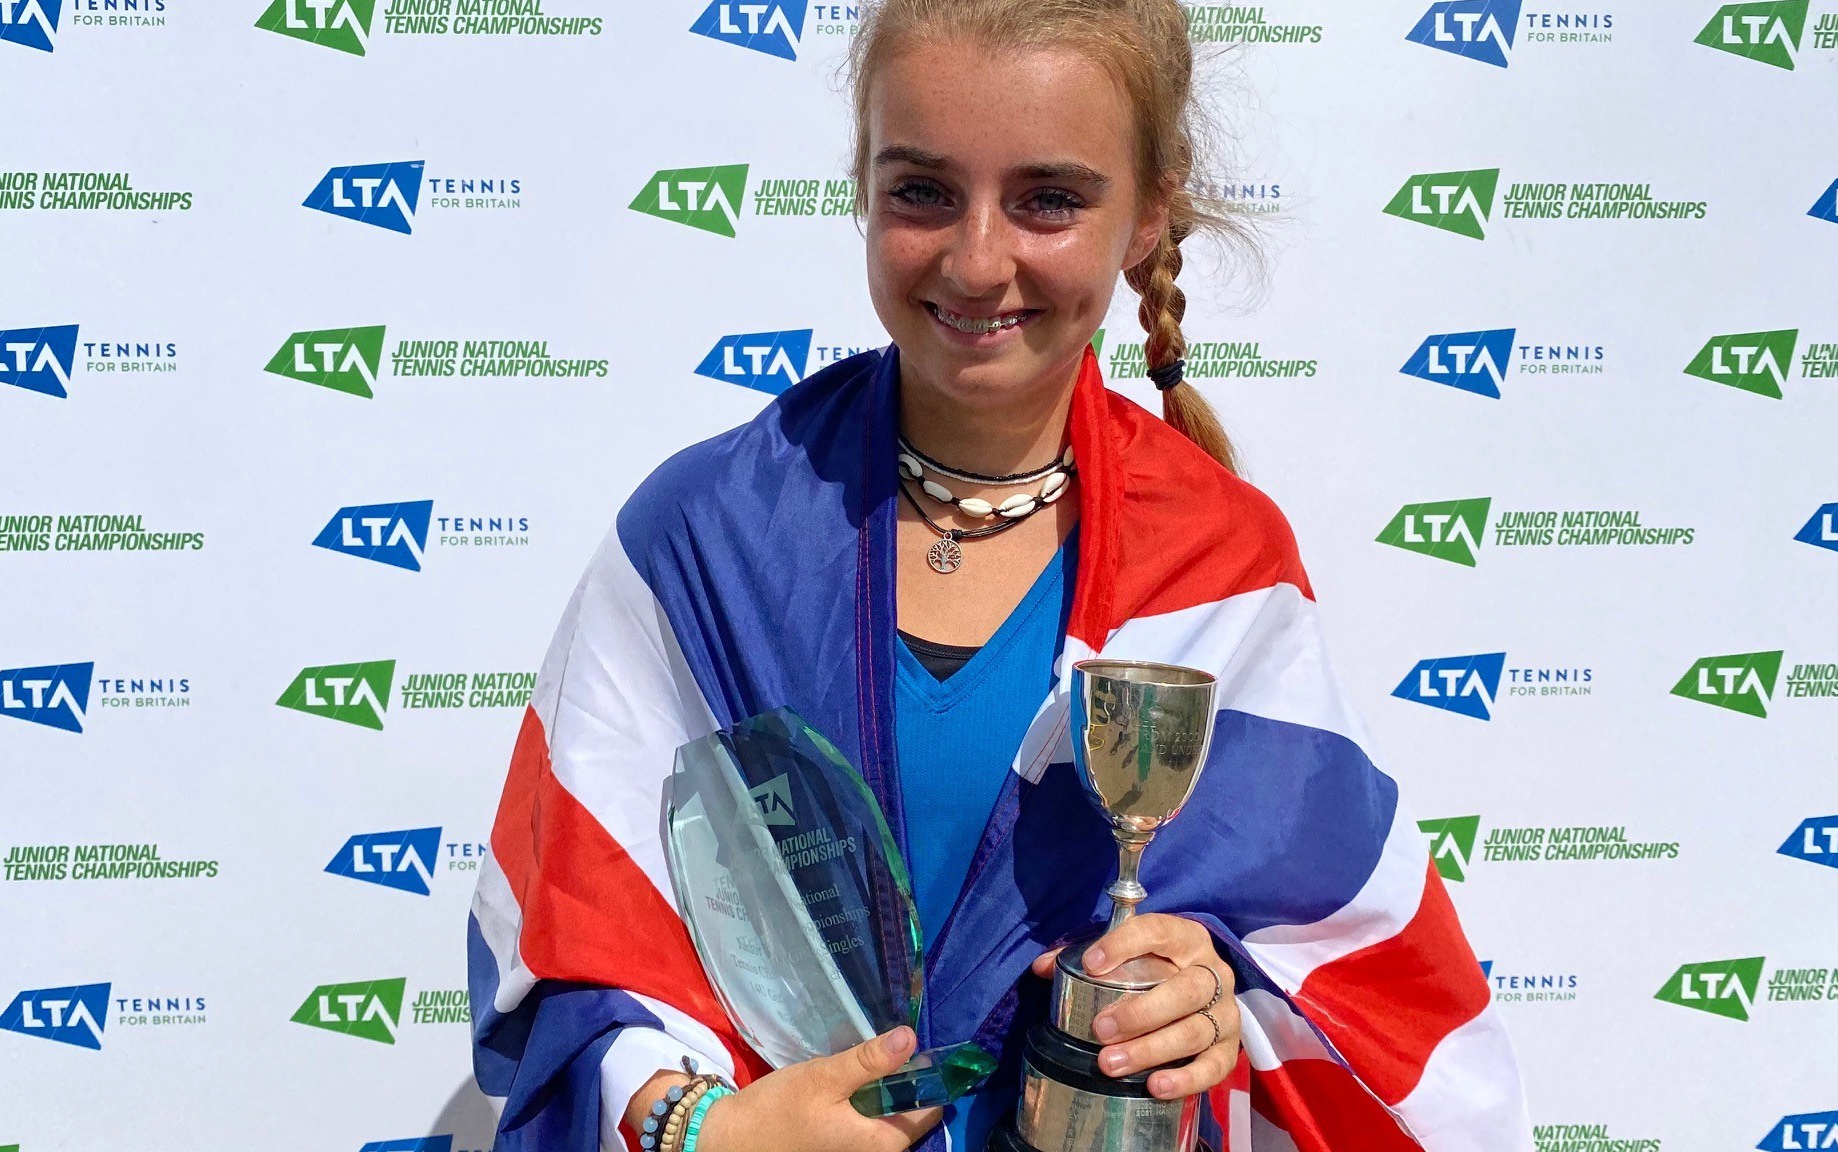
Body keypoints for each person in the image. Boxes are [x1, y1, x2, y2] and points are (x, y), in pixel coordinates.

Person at [466, 1, 1529, 1149]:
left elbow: (1349, 997)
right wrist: (703, 1130)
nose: (978, 261)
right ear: (863, 188)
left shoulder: (1221, 558)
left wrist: (1210, 1008)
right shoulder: (703, 540)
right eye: (922, 191)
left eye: (1049, 200)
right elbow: (568, 954)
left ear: (1147, 215)